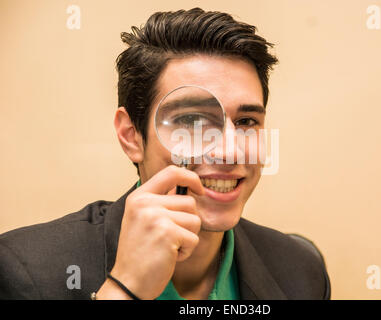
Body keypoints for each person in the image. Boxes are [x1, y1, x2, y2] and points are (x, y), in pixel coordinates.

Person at [0, 8, 330, 300]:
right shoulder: (25, 272)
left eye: (246, 122)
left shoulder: (301, 269)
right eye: (193, 120)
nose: (230, 152)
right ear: (131, 136)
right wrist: (124, 288)